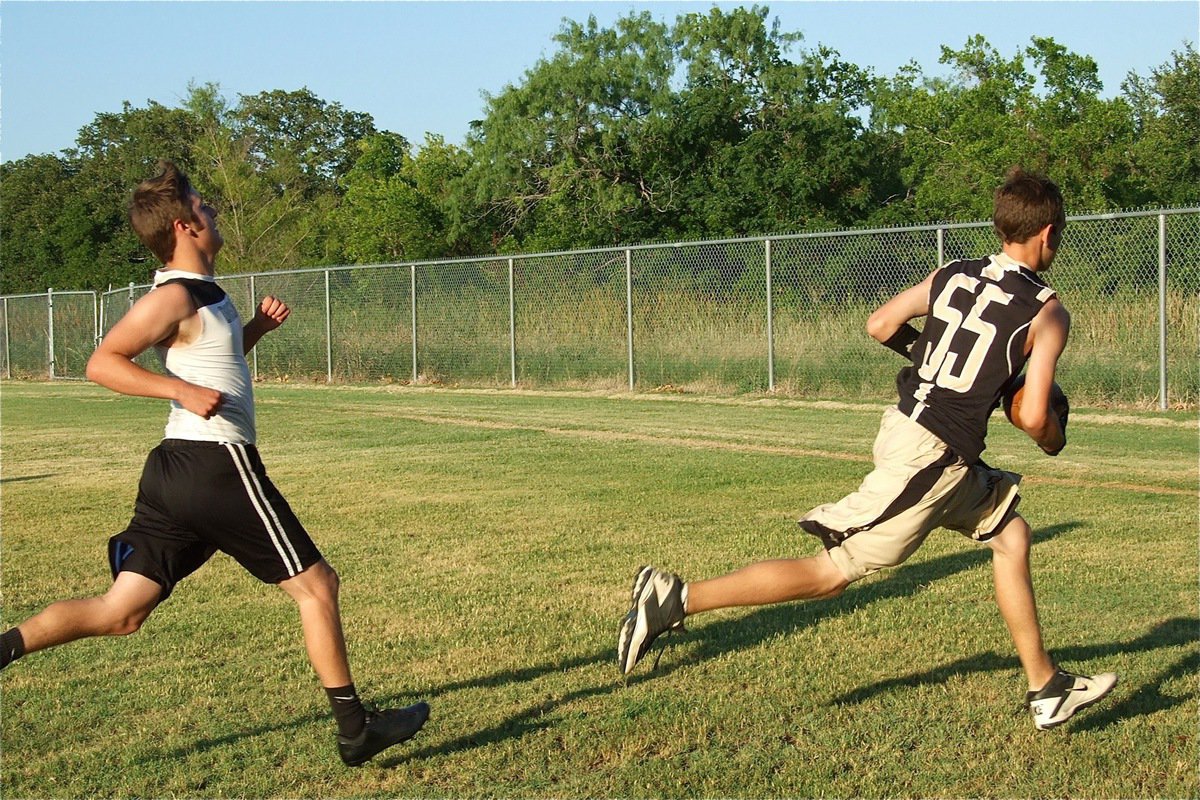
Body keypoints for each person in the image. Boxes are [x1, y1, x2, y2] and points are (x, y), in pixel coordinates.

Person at [617, 167, 1117, 731]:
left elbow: (881, 324)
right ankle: (676, 598)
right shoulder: (1047, 311)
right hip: (934, 456)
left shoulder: (955, 273)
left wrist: (932, 362)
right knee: (834, 571)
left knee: (1011, 534)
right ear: (1048, 233)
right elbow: (1033, 415)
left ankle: (1046, 687)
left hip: (912, 429)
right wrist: (1052, 437)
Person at [0, 161, 429, 766]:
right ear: (183, 225)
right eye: (203, 205)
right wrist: (177, 390)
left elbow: (213, 364)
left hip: (177, 473)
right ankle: (355, 729)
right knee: (317, 586)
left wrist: (254, 329)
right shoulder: (173, 295)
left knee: (121, 613)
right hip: (215, 463)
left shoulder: (206, 294)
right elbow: (103, 363)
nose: (213, 210)